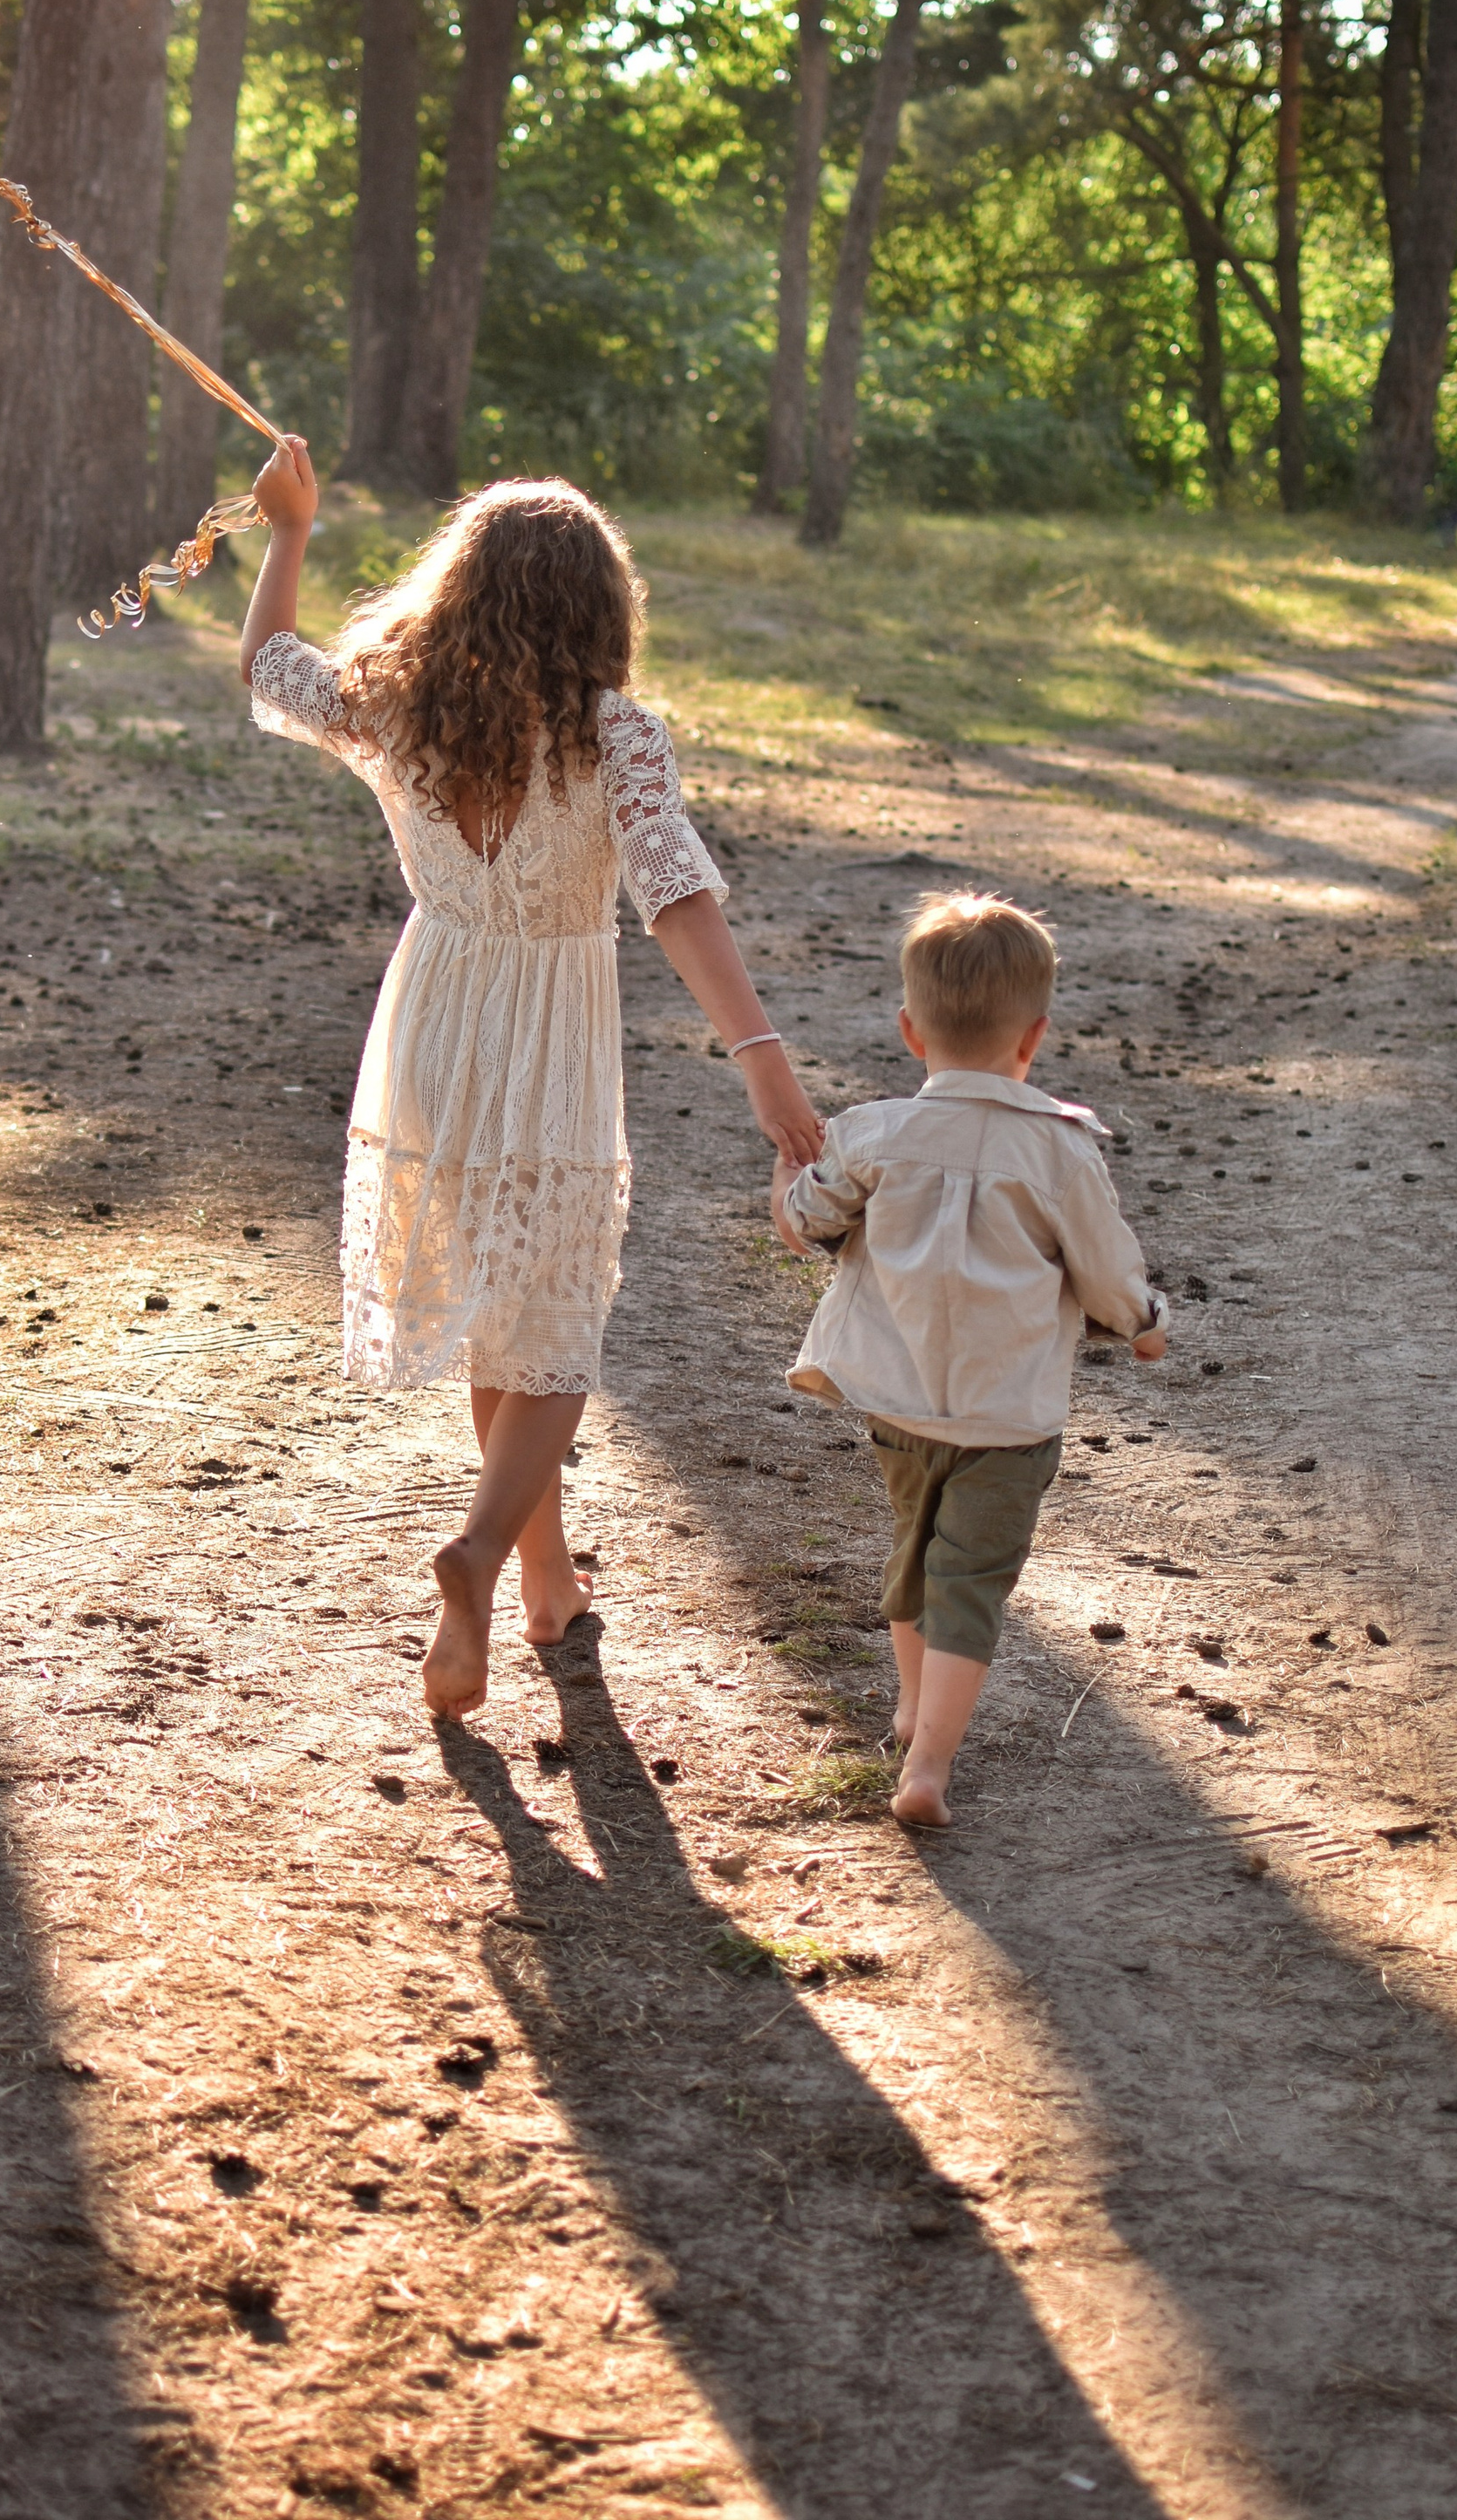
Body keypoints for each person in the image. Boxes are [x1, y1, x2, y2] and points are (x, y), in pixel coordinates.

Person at [240, 439, 825, 1719]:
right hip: (551, 1033)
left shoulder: (398, 705)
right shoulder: (617, 734)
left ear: (456, 591)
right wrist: (760, 1059)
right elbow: (675, 892)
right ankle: (480, 1552)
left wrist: (288, 531)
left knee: (504, 1314)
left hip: (437, 1021)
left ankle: (545, 1581)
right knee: (553, 1319)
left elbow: (271, 666)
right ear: (602, 610)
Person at [771, 890, 1167, 1829]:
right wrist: (1143, 1322)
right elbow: (1108, 1271)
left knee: (913, 1552)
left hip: (897, 1405)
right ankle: (929, 1768)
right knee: (971, 1581)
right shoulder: (1061, 1151)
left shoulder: (870, 1133)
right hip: (1007, 1418)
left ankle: (911, 1712)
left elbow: (804, 1223)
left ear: (912, 1031)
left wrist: (785, 1181)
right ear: (1034, 1037)